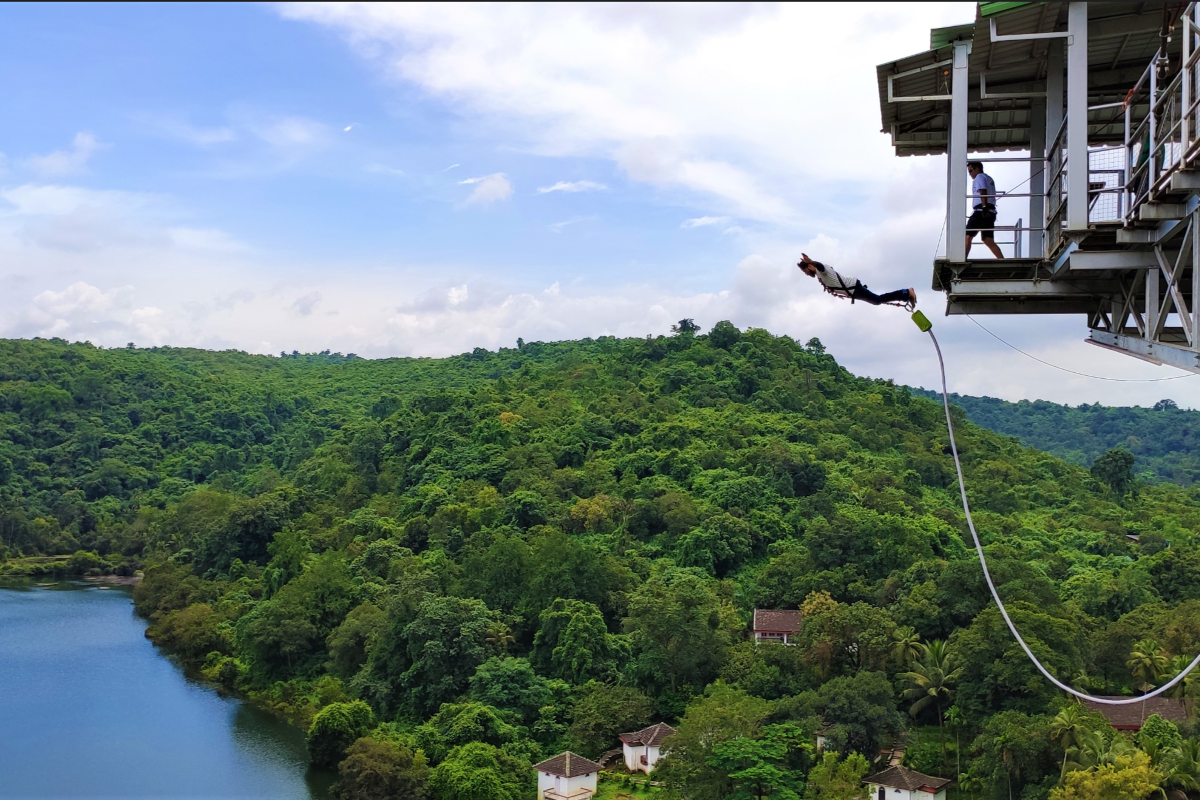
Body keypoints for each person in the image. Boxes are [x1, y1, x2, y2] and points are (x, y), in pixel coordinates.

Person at [797, 253, 916, 309]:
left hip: (854, 288)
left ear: (809, 267)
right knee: (876, 300)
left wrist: (811, 261)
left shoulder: (820, 270)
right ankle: (905, 295)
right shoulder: (820, 275)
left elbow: (820, 265)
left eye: (805, 271)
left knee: (877, 300)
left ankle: (906, 292)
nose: (806, 274)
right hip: (853, 289)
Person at [966, 161, 1004, 259]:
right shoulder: (989, 178)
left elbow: (983, 190)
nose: (969, 174)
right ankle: (1002, 260)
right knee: (988, 239)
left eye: (970, 171)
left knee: (967, 235)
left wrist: (984, 206)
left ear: (977, 168)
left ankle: (962, 259)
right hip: (991, 212)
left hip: (981, 211)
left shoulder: (979, 177)